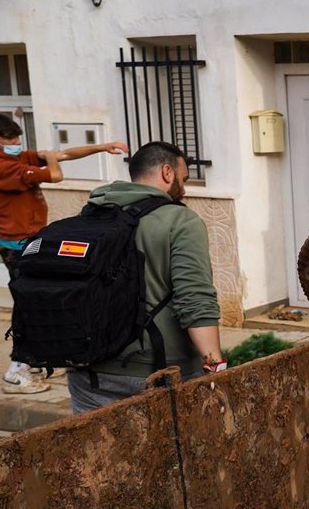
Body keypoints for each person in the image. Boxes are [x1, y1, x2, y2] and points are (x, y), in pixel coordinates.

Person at [67, 141, 224, 414]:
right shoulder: (179, 220)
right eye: (183, 178)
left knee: (100, 454)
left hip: (87, 373)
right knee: (172, 455)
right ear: (167, 173)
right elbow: (195, 299)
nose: (184, 188)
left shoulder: (89, 215)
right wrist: (215, 367)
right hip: (156, 372)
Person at [0, 113, 129, 393]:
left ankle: (37, 359)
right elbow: (55, 173)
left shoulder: (14, 159)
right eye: (10, 139)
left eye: (18, 137)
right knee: (29, 303)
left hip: (29, 242)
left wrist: (102, 147)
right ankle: (17, 369)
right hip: (18, 246)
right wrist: (50, 158)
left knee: (39, 300)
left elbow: (62, 155)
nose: (17, 142)